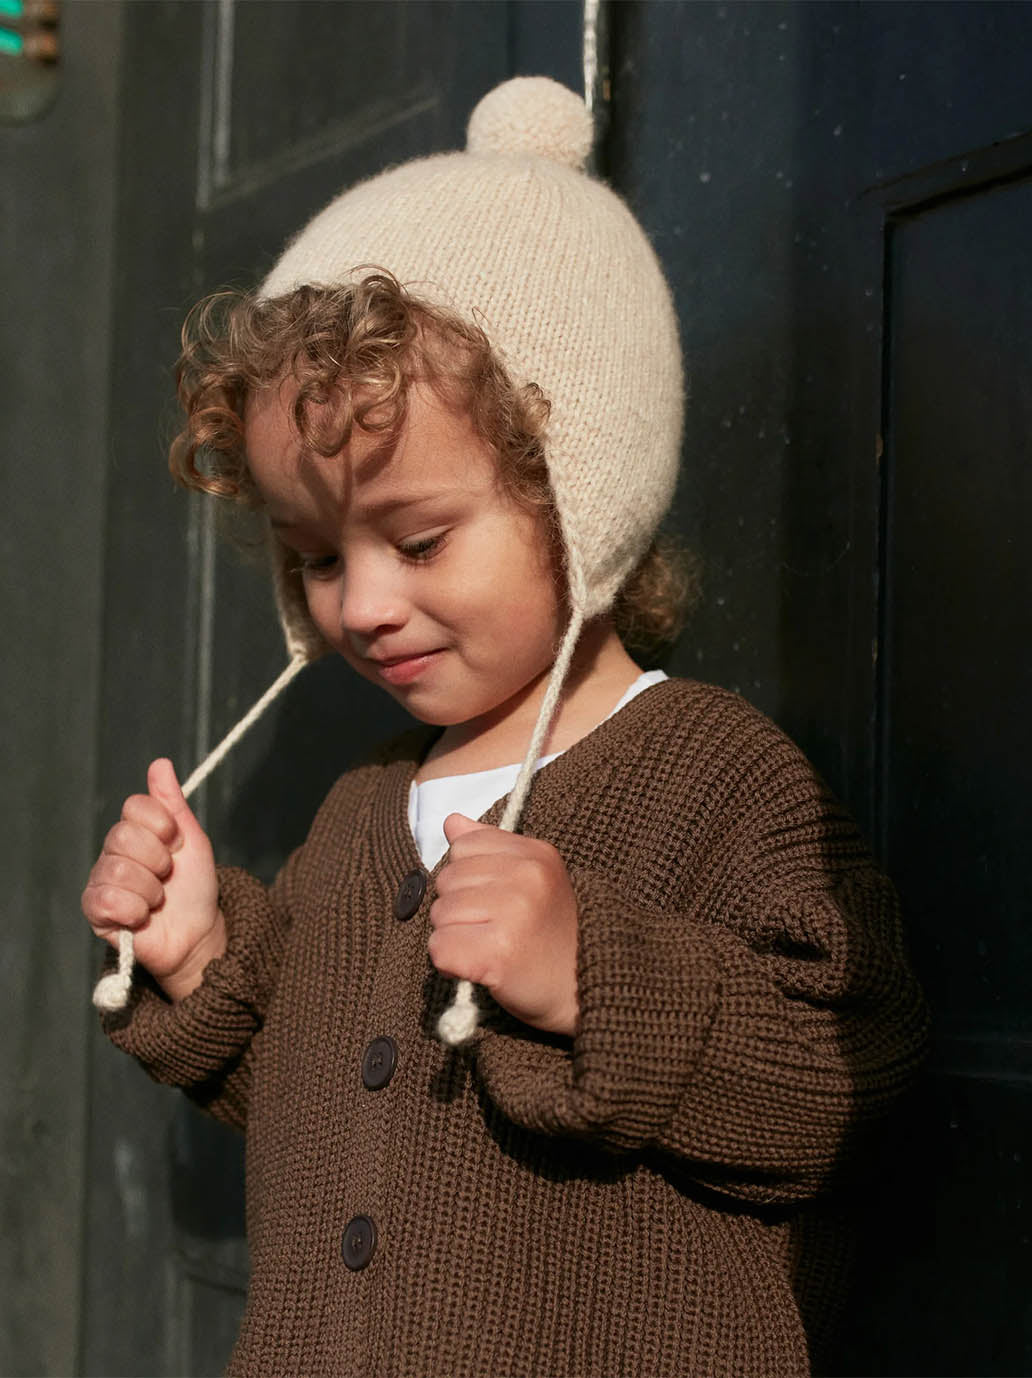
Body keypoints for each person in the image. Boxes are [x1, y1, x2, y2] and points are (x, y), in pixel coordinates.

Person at [82, 77, 927, 1377]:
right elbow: (349, 1138)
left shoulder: (719, 775)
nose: (363, 603)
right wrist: (198, 961)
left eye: (418, 539)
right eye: (312, 555)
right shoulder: (362, 811)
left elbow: (844, 1077)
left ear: (579, 489)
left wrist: (599, 975)